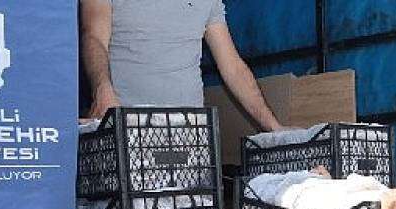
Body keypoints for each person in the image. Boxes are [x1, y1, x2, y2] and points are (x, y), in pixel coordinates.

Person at [80, 0, 283, 129]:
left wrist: (274, 127)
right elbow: (94, 37)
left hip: (187, 133)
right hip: (124, 127)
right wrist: (102, 91)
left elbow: (233, 67)